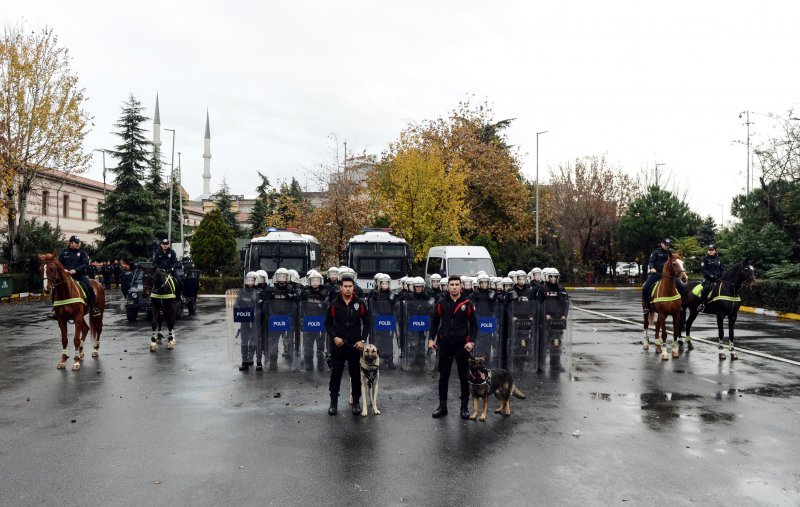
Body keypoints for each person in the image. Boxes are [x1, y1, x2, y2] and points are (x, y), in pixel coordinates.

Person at [428, 275, 477, 419]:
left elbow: (474, 325)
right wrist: (431, 339)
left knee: (464, 377)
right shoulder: (441, 302)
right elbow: (434, 321)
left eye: (457, 284)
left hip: (462, 346)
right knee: (443, 377)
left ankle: (464, 407)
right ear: (448, 286)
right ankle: (442, 406)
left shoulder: (467, 303)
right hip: (444, 346)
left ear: (461, 286)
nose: (454, 287)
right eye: (452, 284)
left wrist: (471, 342)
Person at [325, 272, 370, 415]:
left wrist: (362, 340)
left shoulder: (360, 303)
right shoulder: (334, 304)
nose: (348, 289)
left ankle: (356, 402)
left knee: (355, 375)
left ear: (353, 288)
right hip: (338, 346)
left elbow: (367, 323)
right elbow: (327, 324)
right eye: (345, 286)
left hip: (354, 346)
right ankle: (333, 403)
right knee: (335, 375)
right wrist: (334, 338)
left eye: (350, 286)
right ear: (341, 288)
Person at [54, 235, 100, 317]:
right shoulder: (63, 252)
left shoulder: (82, 252)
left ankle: (94, 308)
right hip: (66, 276)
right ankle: (55, 310)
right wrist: (64, 270)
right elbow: (58, 264)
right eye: (76, 243)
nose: (78, 244)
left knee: (89, 287)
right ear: (70, 243)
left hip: (79, 275)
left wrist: (75, 270)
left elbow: (85, 263)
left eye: (79, 243)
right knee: (55, 288)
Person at [641, 238, 684, 315]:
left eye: (668, 245)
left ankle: (681, 305)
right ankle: (647, 307)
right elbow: (651, 261)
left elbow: (675, 262)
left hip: (669, 276)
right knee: (645, 288)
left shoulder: (670, 253)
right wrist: (652, 268)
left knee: (681, 286)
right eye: (665, 244)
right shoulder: (656, 252)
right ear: (661, 244)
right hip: (657, 274)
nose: (667, 246)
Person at [299, 270, 329, 371]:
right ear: (309, 281)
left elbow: (328, 307)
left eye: (317, 280)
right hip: (309, 320)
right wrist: (302, 319)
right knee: (308, 343)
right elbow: (301, 306)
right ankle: (308, 363)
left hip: (320, 321)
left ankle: (321, 363)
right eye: (313, 280)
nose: (315, 282)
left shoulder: (325, 292)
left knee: (320, 343)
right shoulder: (305, 291)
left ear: (320, 281)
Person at [237, 272, 261, 371]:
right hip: (245, 320)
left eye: (252, 280)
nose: (250, 282)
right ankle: (244, 362)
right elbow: (237, 304)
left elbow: (263, 306)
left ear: (256, 281)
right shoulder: (242, 292)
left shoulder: (259, 292)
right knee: (244, 341)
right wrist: (239, 310)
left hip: (256, 321)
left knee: (255, 342)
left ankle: (253, 359)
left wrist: (257, 312)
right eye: (248, 279)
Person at [697, 244, 723, 312]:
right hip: (708, 279)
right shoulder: (705, 259)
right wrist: (711, 275)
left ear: (715, 251)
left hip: (718, 279)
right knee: (706, 289)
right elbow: (703, 269)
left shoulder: (718, 259)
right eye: (709, 250)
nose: (710, 251)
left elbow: (721, 269)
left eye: (712, 250)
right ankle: (701, 304)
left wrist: (721, 275)